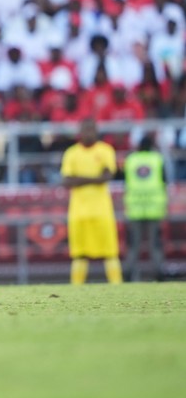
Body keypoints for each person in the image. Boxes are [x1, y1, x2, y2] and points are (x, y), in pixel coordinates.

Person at [60, 118, 122, 285]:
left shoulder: (105, 150)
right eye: (85, 130)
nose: (88, 133)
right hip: (78, 213)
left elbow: (108, 176)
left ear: (96, 131)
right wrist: (96, 178)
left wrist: (79, 179)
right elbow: (66, 181)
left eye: (91, 129)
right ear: (80, 132)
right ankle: (76, 290)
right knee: (79, 254)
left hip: (102, 212)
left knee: (110, 253)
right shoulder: (72, 153)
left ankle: (118, 288)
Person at [122, 134, 168, 282]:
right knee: (155, 244)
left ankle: (129, 274)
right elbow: (165, 181)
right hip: (154, 207)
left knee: (133, 245)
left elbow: (125, 180)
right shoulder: (157, 159)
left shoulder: (130, 160)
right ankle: (158, 273)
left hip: (135, 207)